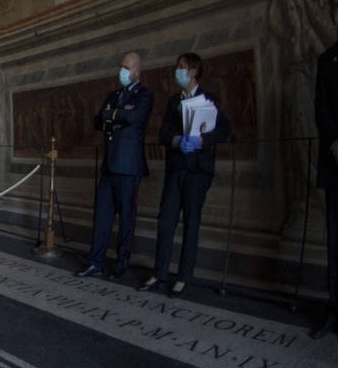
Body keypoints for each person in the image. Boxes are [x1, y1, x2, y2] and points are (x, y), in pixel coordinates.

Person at [141, 53, 233, 295]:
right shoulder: (174, 101)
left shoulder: (209, 98)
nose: (177, 71)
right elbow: (163, 133)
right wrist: (176, 140)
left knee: (191, 223)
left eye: (182, 67)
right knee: (166, 221)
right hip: (176, 168)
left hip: (198, 171)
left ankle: (183, 276)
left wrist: (201, 141)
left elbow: (224, 131)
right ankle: (159, 272)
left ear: (193, 71)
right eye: (177, 67)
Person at [77, 51, 154, 279]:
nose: (122, 71)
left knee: (126, 219)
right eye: (121, 66)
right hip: (109, 165)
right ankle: (95, 262)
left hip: (129, 166)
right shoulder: (114, 95)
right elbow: (98, 120)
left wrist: (113, 115)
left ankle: (121, 264)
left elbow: (134, 118)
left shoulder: (144, 95)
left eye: (127, 67)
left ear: (137, 71)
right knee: (102, 216)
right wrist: (116, 115)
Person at [312, 0, 338, 341]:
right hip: (336, 163)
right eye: (335, 7)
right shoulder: (326, 59)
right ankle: (334, 310)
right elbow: (321, 109)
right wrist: (336, 142)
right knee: (335, 243)